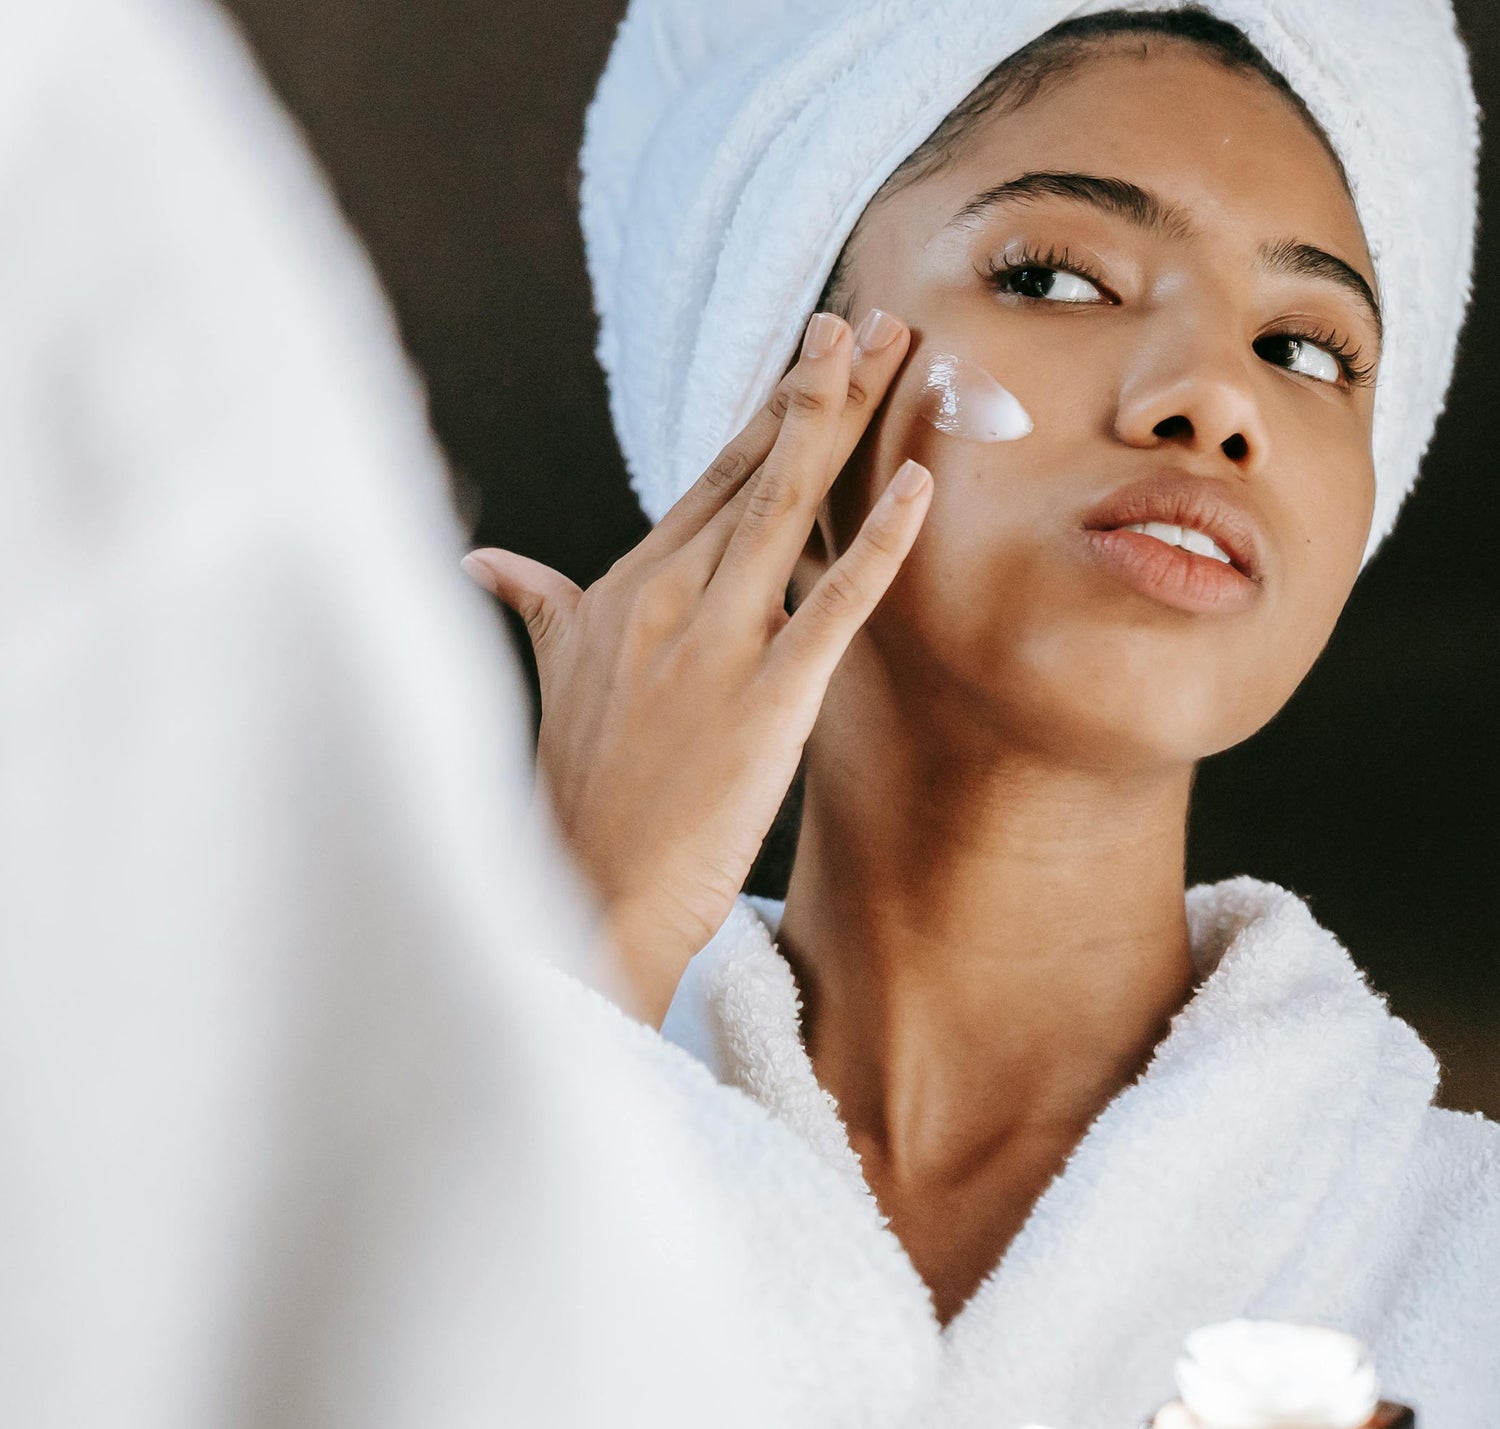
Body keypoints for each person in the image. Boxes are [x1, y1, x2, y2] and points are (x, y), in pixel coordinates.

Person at [461, 3, 1500, 1425]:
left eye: (1310, 350)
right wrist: (576, 953)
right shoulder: (359, 1156)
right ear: (779, 397)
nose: (1217, 397)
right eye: (1062, 278)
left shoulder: (1468, 1266)